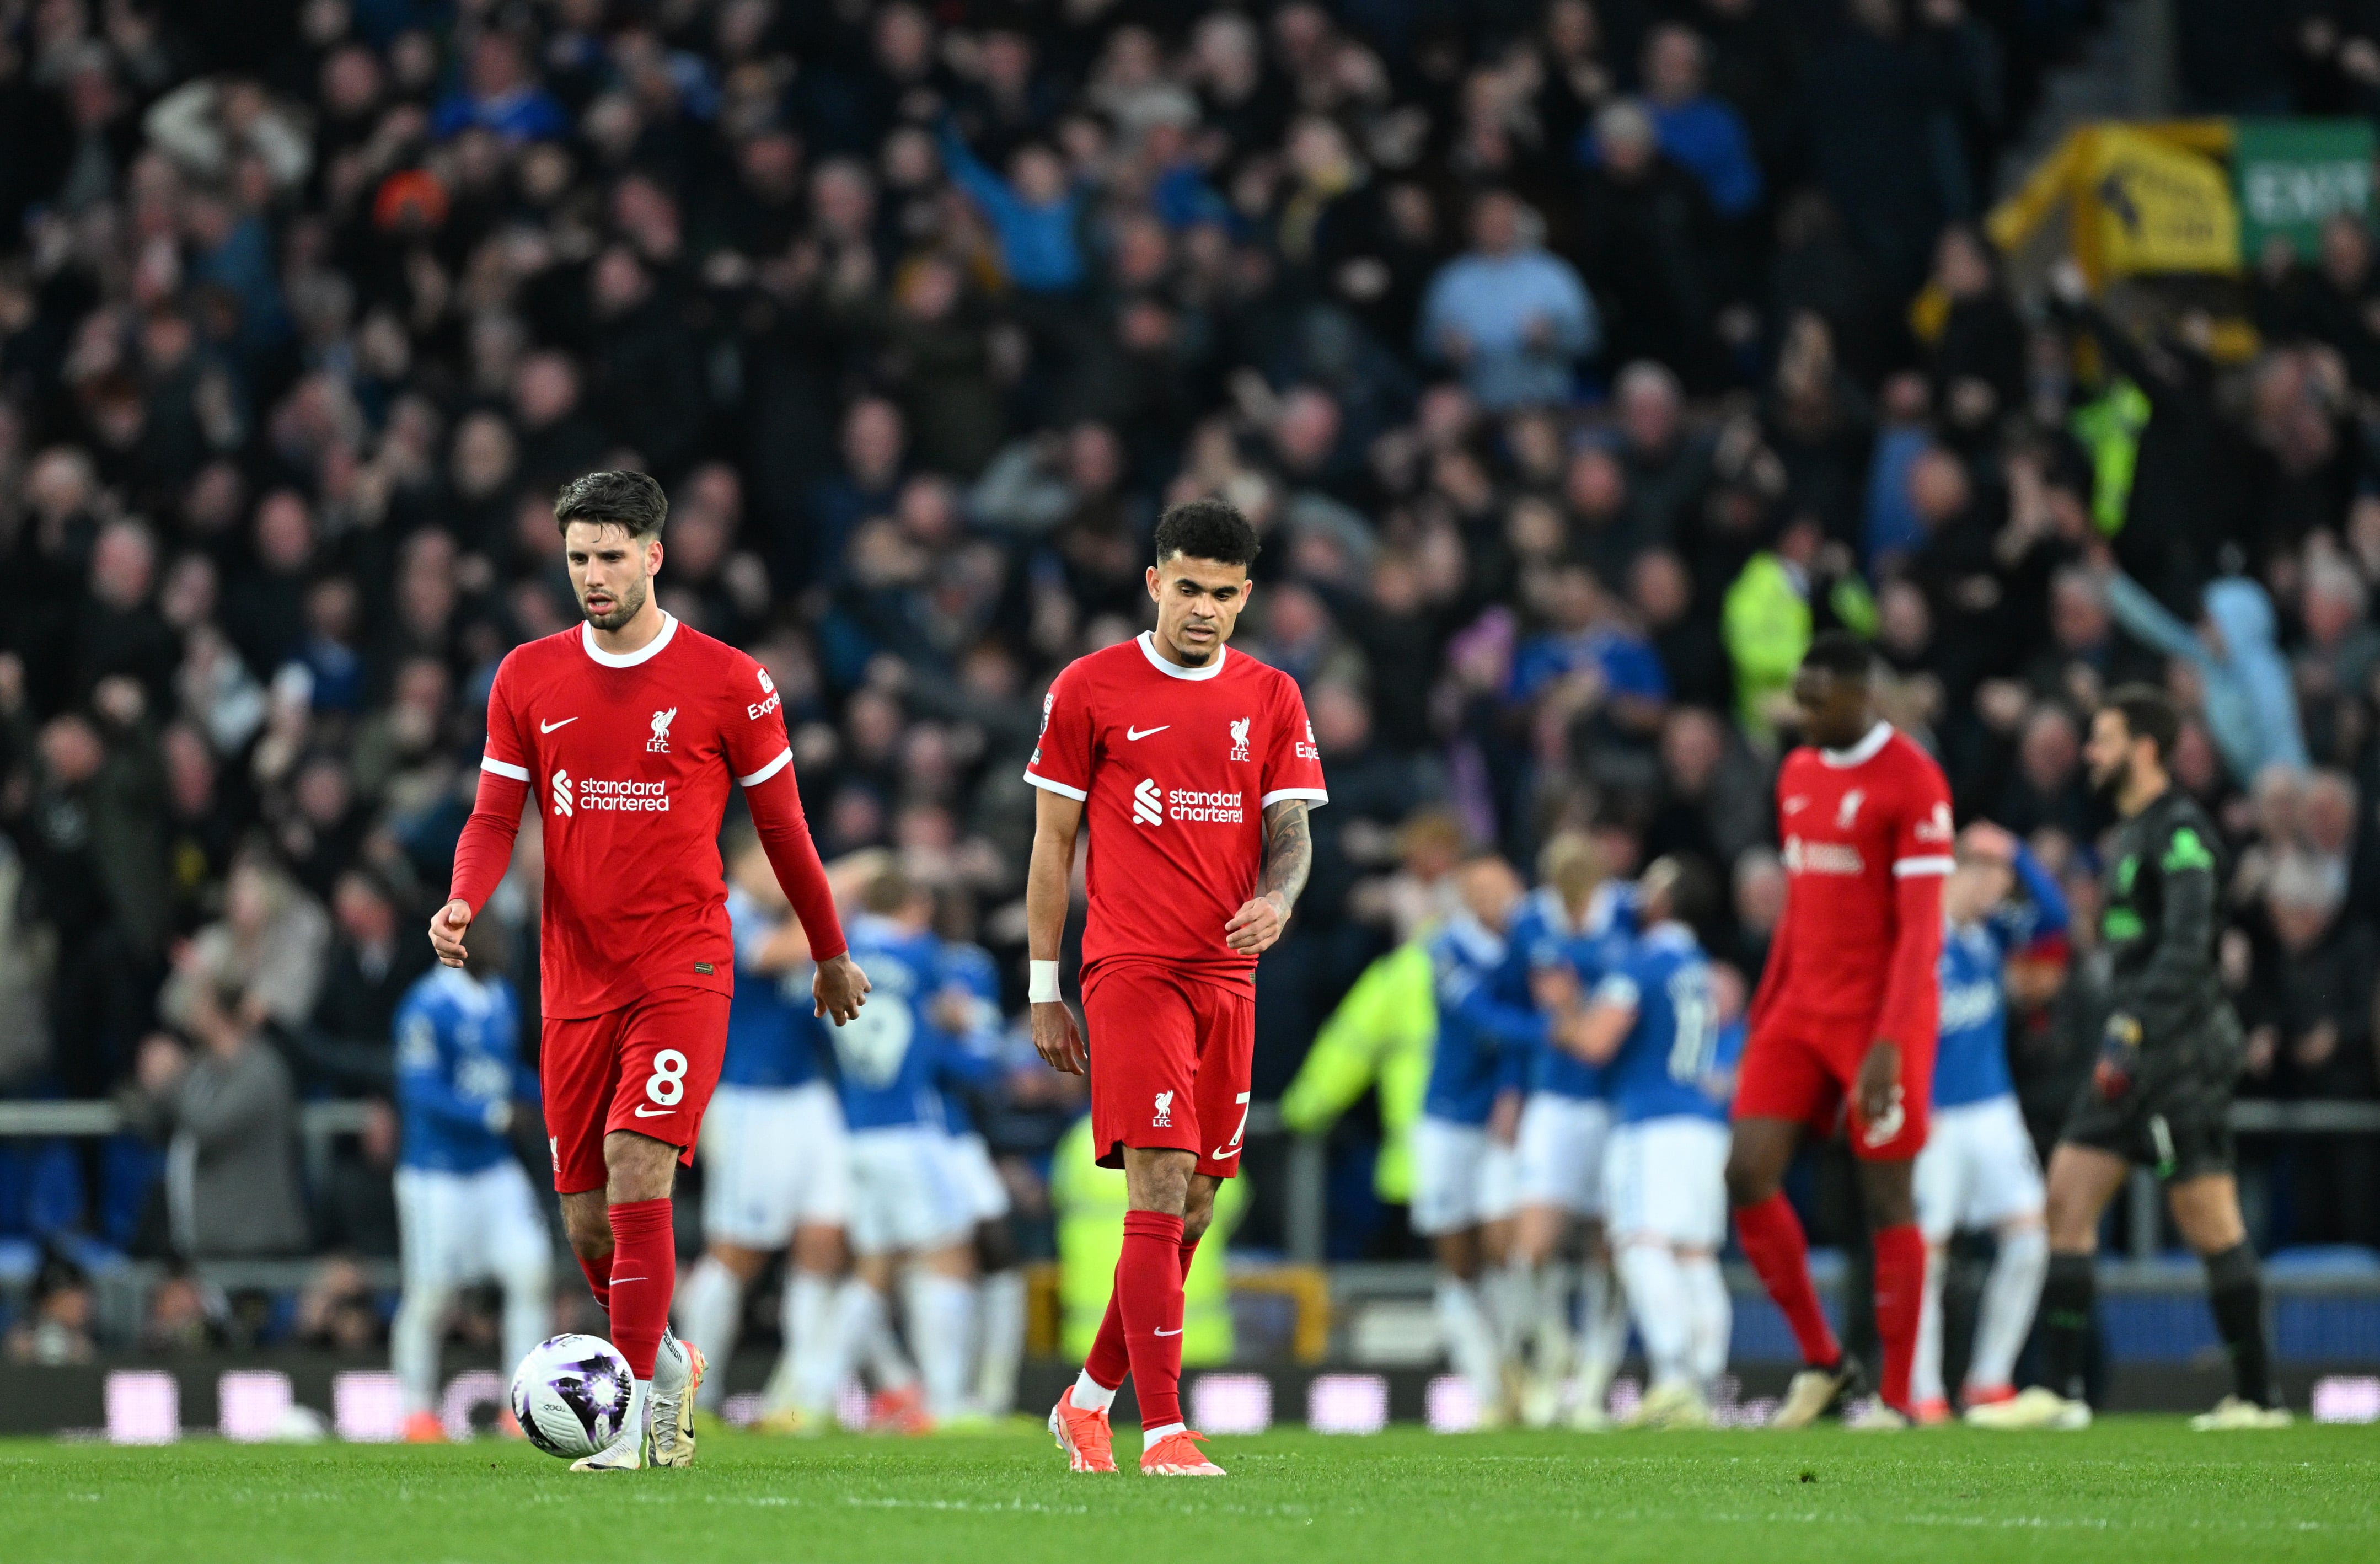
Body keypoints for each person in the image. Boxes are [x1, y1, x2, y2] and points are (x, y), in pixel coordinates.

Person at [428, 470, 869, 1474]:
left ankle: (620, 1428)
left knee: (640, 1164)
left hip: (685, 964)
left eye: (611, 556)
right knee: (587, 1218)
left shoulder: (728, 679)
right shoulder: (527, 677)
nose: (592, 575)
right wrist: (464, 895)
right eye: (578, 557)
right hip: (572, 980)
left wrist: (830, 948)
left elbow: (784, 827)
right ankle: (663, 1362)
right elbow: (498, 816)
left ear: (655, 556)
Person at [1030, 497, 1327, 1477]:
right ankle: (1163, 1431)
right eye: (1188, 587)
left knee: (1195, 1206)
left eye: (1224, 594)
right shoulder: (1090, 687)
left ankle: (1085, 1401)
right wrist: (1043, 981)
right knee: (1158, 1182)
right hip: (1133, 967)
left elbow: (1291, 831)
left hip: (1227, 975)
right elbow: (1052, 844)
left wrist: (1277, 901)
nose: (1204, 608)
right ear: (1155, 582)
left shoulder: (1273, 695)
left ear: (1247, 599)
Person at [1971, 687, 2290, 1432]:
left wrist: (2134, 1031)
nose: (2090, 753)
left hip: (2176, 1054)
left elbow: (2188, 953)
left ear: (2145, 748)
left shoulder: (2181, 834)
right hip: (2131, 1051)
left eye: (2104, 740)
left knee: (2208, 1220)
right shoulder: (2132, 833)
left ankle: (2260, 1397)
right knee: (2066, 1202)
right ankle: (2060, 1391)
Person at [1725, 630, 1954, 1429]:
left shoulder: (1915, 784)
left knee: (1886, 1195)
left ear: (1863, 698)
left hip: (1880, 1018)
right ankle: (1826, 1363)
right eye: (1800, 698)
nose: (1803, 715)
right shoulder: (1797, 772)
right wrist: (1766, 1012)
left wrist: (1891, 1042)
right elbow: (1801, 905)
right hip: (1800, 1009)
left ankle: (1896, 1398)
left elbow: (1923, 934)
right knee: (1747, 1173)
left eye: (1817, 702)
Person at [1543, 856, 1740, 1431]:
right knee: (1695, 1254)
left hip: (1651, 1124)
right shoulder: (1699, 969)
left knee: (1639, 1244)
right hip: (1703, 1124)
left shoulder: (1642, 964)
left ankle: (1674, 1378)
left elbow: (1594, 1042)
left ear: (1662, 901)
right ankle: (1704, 1382)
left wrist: (1561, 1007)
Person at [673, 822, 854, 1437]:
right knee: (738, 1252)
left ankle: (798, 1397)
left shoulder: (786, 921)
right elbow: (767, 956)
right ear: (743, 864)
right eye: (776, 867)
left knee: (824, 1239)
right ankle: (693, 1386)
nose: (785, 880)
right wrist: (844, 885)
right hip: (748, 1101)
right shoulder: (721, 915)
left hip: (808, 1098)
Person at [832, 869, 1004, 1430]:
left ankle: (805, 1396)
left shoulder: (841, 956)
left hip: (856, 1130)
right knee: (949, 1255)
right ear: (915, 903)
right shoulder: (923, 957)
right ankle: (948, 1403)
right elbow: (964, 1044)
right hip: (909, 1127)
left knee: (874, 1268)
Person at [1910, 821, 2061, 1425]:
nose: (2001, 891)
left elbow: (2052, 919)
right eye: (1990, 876)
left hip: (1993, 1109)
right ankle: (1920, 1389)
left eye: (2004, 880)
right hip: (1935, 1114)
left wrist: (2017, 849)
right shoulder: (1918, 939)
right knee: (1926, 1253)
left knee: (2028, 1239)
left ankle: (1988, 1379)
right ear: (1957, 871)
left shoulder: (1989, 934)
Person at [388, 921, 549, 1444]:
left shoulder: (499, 997)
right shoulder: (425, 1006)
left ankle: (519, 1408)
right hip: (436, 1172)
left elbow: (503, 1075)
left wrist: (555, 1097)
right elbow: (420, 1091)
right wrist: (492, 1115)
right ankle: (416, 1413)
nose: (502, 945)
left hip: (493, 1169)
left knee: (530, 1272)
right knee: (432, 1294)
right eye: (490, 935)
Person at [1509, 832, 1635, 1430]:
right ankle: (1553, 1351)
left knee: (1609, 1245)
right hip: (1554, 1099)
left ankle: (1594, 1377)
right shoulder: (1532, 918)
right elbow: (1538, 1013)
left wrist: (1573, 1015)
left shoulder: (1629, 912)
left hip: (1615, 1102)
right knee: (1532, 1244)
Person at [1410, 855, 1538, 1428]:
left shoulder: (1526, 947)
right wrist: (1563, 1026)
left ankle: (1514, 1369)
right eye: (1480, 889)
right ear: (1463, 896)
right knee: (1458, 1259)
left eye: (1502, 887)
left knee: (1504, 1242)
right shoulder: (1443, 949)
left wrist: (1513, 1087)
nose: (1493, 899)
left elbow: (1516, 1035)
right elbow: (1484, 1020)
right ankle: (1485, 1383)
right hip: (1445, 1117)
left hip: (1501, 1123)